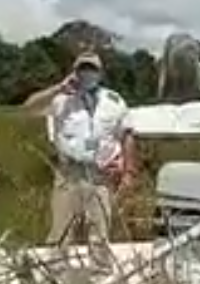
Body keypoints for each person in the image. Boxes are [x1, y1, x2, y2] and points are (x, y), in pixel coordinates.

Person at [22, 52, 136, 250]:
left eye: (91, 69)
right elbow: (28, 108)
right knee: (61, 233)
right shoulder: (60, 99)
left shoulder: (114, 101)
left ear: (100, 73)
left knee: (99, 236)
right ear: (74, 71)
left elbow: (127, 135)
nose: (87, 73)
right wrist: (58, 88)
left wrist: (128, 171)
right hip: (68, 174)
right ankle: (56, 275)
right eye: (82, 69)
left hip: (99, 174)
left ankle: (99, 276)